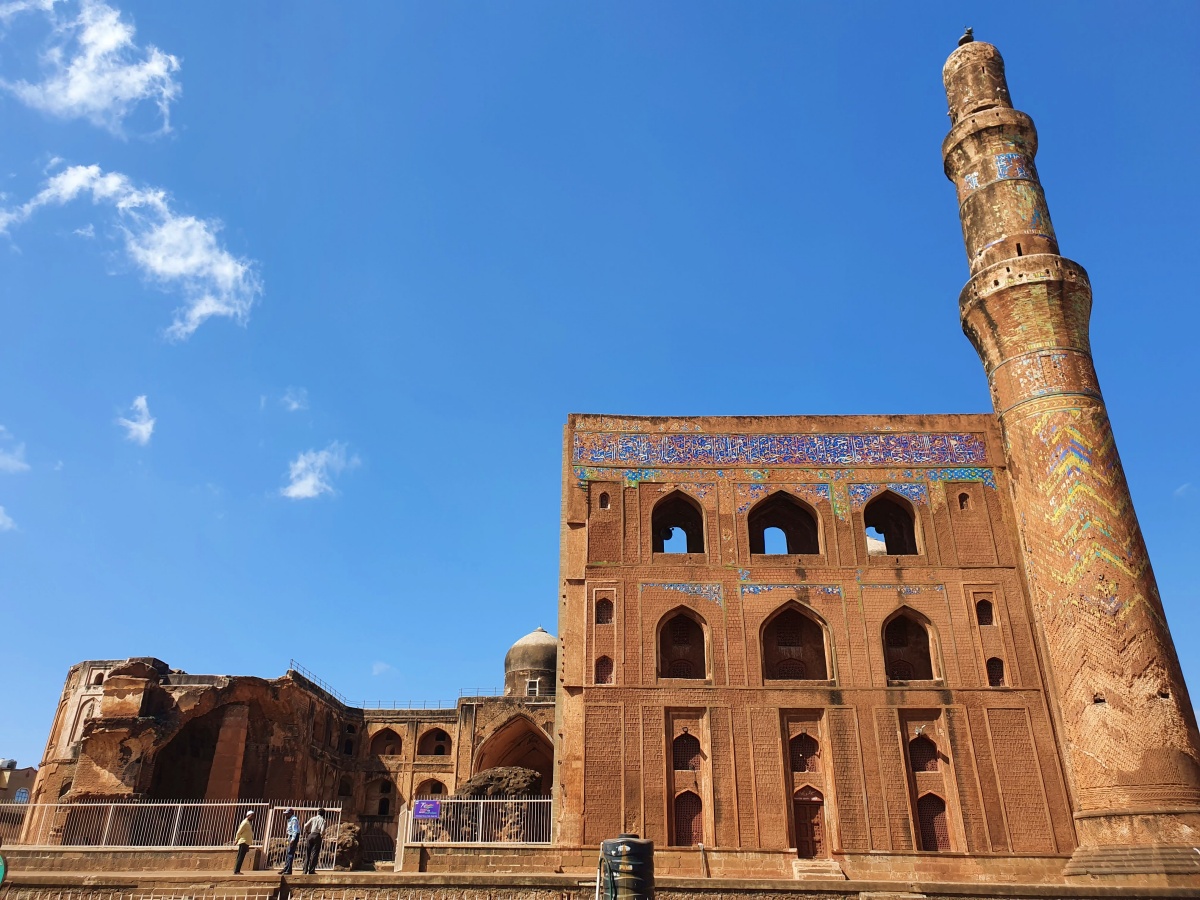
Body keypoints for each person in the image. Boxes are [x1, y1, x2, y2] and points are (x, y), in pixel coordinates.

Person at [302, 807, 326, 875]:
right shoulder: (323, 820)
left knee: (307, 853)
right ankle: (311, 870)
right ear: (323, 814)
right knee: (314, 854)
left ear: (318, 813)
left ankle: (304, 870)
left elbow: (305, 825)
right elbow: (322, 830)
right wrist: (322, 835)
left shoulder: (313, 818)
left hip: (310, 835)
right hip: (317, 836)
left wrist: (306, 832)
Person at [233, 809, 255, 874]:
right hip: (243, 842)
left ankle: (237, 870)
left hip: (246, 842)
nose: (253, 817)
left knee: (241, 857)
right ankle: (236, 871)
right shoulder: (245, 822)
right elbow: (239, 831)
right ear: (248, 816)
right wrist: (236, 840)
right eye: (252, 816)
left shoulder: (248, 823)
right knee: (240, 857)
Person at [279, 807, 300, 875]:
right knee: (288, 853)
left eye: (287, 814)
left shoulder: (294, 820)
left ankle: (288, 870)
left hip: (293, 837)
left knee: (290, 853)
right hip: (291, 837)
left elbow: (295, 830)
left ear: (290, 813)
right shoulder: (290, 819)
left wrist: (292, 839)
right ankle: (286, 868)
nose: (286, 815)